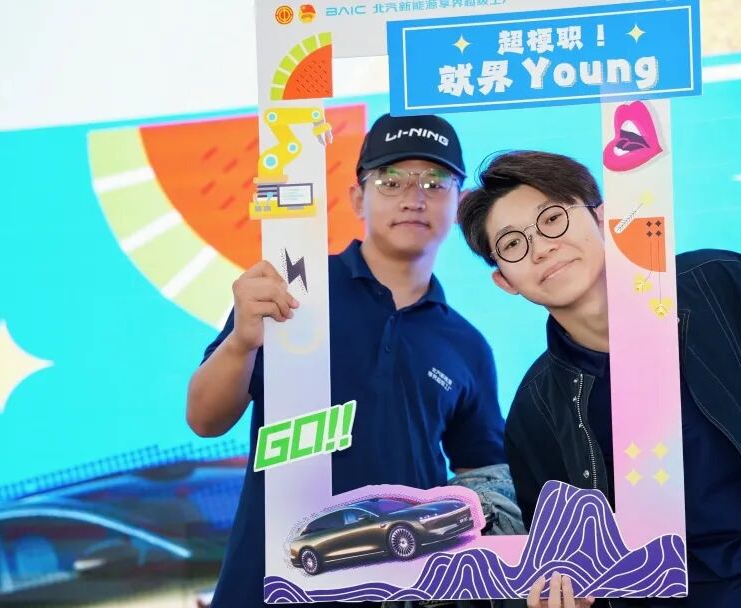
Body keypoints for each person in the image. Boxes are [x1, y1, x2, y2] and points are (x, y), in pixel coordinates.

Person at [456, 151, 741, 608]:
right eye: (512, 244)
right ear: (505, 281)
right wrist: (571, 594)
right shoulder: (536, 409)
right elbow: (565, 555)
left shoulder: (718, 288)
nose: (541, 247)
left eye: (552, 218)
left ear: (603, 217)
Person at [186, 114, 509, 607]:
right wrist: (241, 343)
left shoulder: (465, 345)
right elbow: (204, 419)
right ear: (358, 198)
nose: (414, 198)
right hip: (268, 583)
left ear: (460, 203)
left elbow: (484, 480)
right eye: (391, 181)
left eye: (434, 182)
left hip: (401, 589)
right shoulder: (291, 291)